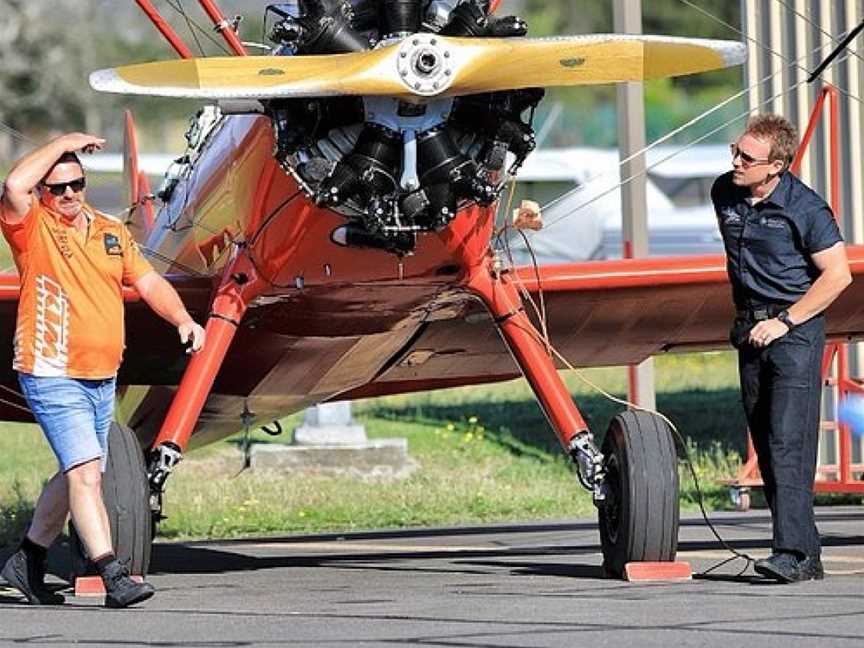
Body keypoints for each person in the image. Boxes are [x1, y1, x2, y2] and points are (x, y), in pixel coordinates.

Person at [0, 133, 206, 607]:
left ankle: (27, 559)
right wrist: (63, 142)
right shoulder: (32, 229)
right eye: (57, 189)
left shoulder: (111, 230)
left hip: (101, 374)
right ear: (43, 196)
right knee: (87, 476)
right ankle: (112, 573)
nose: (69, 194)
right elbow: (14, 184)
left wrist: (182, 320)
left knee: (77, 471)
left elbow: (149, 280)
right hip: (52, 371)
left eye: (78, 184)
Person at [712, 114, 851, 583]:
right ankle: (806, 555)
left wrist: (785, 320)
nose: (736, 161)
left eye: (747, 158)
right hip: (749, 328)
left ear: (776, 166)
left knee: (788, 440)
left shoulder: (806, 208)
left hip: (794, 328)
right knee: (768, 446)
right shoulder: (724, 193)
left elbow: (839, 275)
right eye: (736, 150)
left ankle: (790, 553)